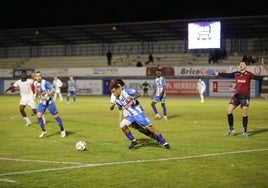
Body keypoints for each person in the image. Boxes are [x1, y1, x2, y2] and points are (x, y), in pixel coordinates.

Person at [215, 61, 267, 138]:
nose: (241, 65)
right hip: (237, 96)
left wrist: (264, 77)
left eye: (243, 64)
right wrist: (218, 74)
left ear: (246, 66)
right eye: (240, 64)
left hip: (245, 96)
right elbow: (228, 75)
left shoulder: (249, 74)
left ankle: (245, 131)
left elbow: (257, 78)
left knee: (244, 112)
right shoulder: (236, 73)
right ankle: (231, 129)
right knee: (229, 111)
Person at [110, 83, 170, 149]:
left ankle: (165, 143)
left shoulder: (127, 91)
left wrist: (133, 98)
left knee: (150, 129)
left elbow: (138, 93)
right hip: (130, 116)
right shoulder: (117, 100)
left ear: (118, 90)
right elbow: (120, 109)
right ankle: (133, 141)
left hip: (139, 114)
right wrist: (119, 118)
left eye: (113, 91)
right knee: (122, 125)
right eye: (112, 92)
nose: (113, 94)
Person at [33, 71, 66, 138]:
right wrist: (35, 95)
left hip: (49, 102)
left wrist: (47, 95)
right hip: (42, 103)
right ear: (35, 77)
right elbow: (36, 91)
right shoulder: (35, 83)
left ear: (41, 76)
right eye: (37, 76)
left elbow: (53, 89)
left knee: (56, 117)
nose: (38, 77)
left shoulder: (45, 82)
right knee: (39, 116)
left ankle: (62, 130)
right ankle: (44, 131)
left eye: (39, 76)